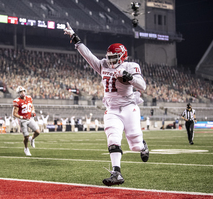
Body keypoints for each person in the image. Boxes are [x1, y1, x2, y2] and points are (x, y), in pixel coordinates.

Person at [64, 23, 149, 186]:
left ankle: (143, 145)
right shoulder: (103, 64)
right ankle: (117, 173)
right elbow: (88, 56)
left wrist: (127, 76)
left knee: (135, 146)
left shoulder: (131, 66)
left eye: (114, 58)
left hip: (129, 107)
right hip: (111, 110)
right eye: (109, 57)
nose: (110, 61)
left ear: (123, 57)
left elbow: (142, 86)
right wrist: (76, 39)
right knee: (113, 139)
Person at [12, 86, 40, 156]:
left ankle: (32, 138)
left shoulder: (29, 98)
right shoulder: (17, 101)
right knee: (26, 137)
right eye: (21, 92)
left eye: (23, 91)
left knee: (38, 132)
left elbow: (32, 106)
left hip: (30, 118)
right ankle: (26, 149)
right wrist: (21, 116)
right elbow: (14, 114)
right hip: (23, 120)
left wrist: (33, 111)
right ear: (19, 93)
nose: (23, 93)